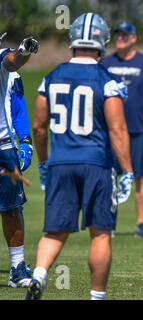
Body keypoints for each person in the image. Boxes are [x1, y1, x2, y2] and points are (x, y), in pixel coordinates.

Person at [27, 13, 133, 300]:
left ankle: (38, 274)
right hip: (96, 163)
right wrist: (128, 171)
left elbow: (38, 126)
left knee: (54, 231)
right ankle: (96, 297)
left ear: (72, 40)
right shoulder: (107, 80)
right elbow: (118, 129)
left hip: (61, 163)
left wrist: (45, 161)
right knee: (100, 233)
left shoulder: (51, 77)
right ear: (102, 42)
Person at [100, 22, 143, 237]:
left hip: (137, 129)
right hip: (110, 131)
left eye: (125, 35)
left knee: (139, 176)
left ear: (133, 37)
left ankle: (141, 223)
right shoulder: (106, 63)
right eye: (117, 34)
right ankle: (109, 221)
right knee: (110, 176)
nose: (120, 38)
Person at [0, 33, 38, 288]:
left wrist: (23, 51)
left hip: (2, 146)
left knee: (11, 208)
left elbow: (12, 60)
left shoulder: (4, 62)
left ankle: (17, 269)